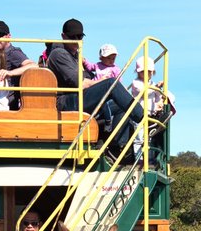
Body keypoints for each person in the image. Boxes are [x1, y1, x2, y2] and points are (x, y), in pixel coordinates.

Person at [47, 18, 143, 155]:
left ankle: (115, 148)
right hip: (65, 101)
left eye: (79, 37)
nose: (76, 40)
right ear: (63, 36)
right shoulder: (59, 54)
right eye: (72, 37)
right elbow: (80, 82)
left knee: (123, 105)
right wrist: (102, 82)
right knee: (111, 84)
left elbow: (88, 78)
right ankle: (144, 117)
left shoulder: (75, 56)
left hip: (78, 97)